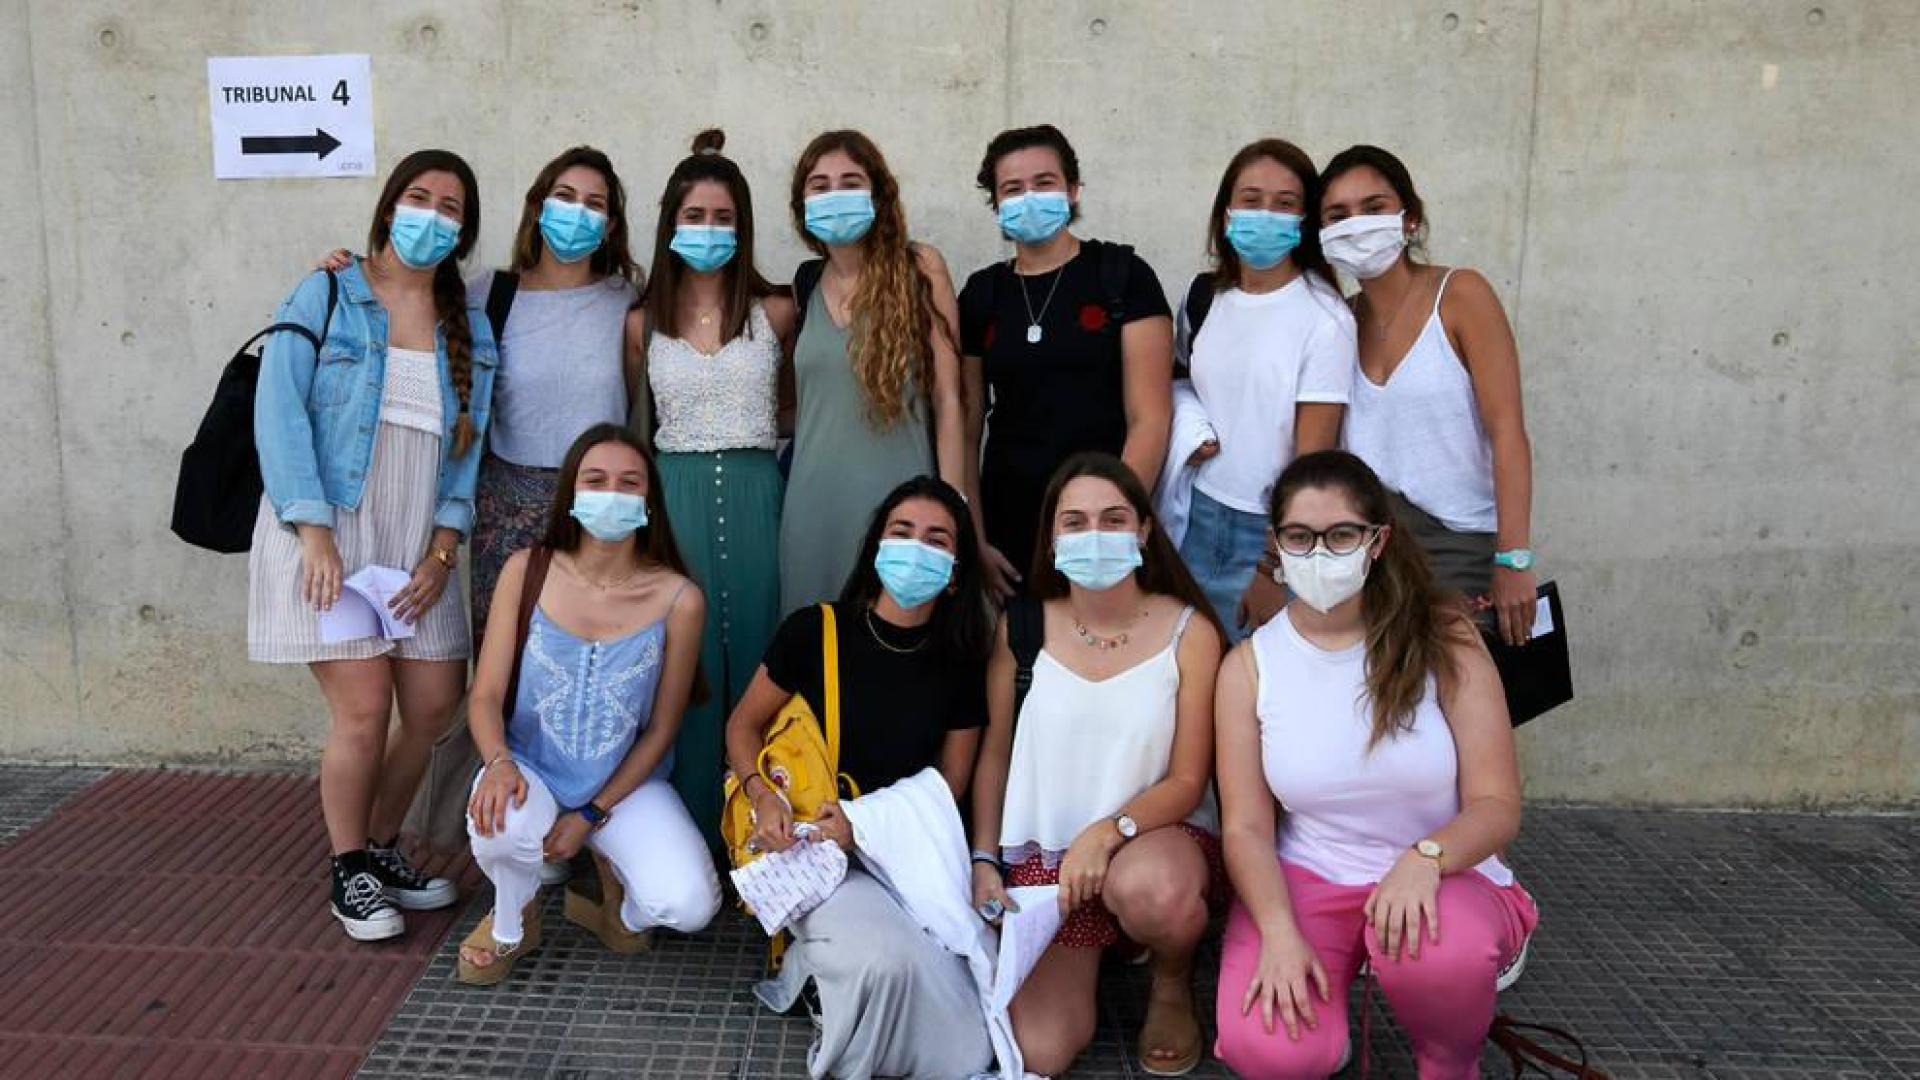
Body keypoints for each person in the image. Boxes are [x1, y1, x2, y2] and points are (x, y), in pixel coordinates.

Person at [1211, 450, 1536, 1080]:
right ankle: (1323, 1033)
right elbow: (1247, 828)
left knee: (1437, 955)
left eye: (1342, 535)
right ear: (1275, 545)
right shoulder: (1249, 668)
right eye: (1300, 537)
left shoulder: (1446, 639)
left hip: (1447, 876)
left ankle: (1449, 1062)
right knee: (1270, 1050)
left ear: (1378, 540)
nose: (1320, 553)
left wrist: (1426, 858)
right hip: (1311, 876)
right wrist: (1278, 931)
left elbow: (1498, 805)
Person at [249, 149, 497, 941]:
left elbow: (468, 452)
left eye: (451, 207)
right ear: (389, 206)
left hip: (418, 540)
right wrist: (313, 533)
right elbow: (279, 410)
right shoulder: (328, 291)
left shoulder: (471, 324)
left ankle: (384, 848)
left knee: (430, 708)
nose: (432, 216)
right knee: (364, 709)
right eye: (418, 197)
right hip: (331, 525)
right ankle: (348, 867)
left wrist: (443, 551)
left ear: (464, 231)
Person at [319, 146, 642, 646]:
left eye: (594, 203)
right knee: (504, 658)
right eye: (564, 196)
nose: (576, 212)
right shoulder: (488, 294)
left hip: (603, 507)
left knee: (593, 657)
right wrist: (351, 270)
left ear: (611, 226)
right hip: (505, 507)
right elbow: (405, 302)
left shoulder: (630, 301)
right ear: (537, 206)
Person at [729, 477, 994, 1079]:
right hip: (808, 850)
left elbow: (952, 781)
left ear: (955, 570)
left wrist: (871, 825)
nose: (915, 548)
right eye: (901, 533)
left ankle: (815, 969)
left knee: (969, 1029)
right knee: (886, 964)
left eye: (937, 539)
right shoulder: (812, 630)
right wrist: (759, 792)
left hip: (899, 851)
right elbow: (742, 727)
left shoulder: (960, 661)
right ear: (876, 547)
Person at [970, 452, 1225, 1077]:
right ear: (1052, 539)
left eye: (1114, 520)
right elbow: (994, 756)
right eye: (1075, 521)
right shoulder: (1022, 628)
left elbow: (1190, 779)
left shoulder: (1188, 632)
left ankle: (1169, 976)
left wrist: (1107, 835)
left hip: (1153, 842)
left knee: (1150, 892)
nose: (1094, 536)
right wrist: (983, 859)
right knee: (1041, 1052)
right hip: (1052, 869)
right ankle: (1103, 950)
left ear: (1143, 531)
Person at [459, 424, 722, 985]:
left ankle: (618, 906)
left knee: (690, 904)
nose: (612, 493)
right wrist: (499, 764)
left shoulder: (679, 598)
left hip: (625, 784)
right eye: (595, 479)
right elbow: (483, 695)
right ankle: (513, 920)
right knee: (498, 824)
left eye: (630, 483)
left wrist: (590, 815)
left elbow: (662, 731)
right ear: (572, 495)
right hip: (530, 767)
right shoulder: (526, 570)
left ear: (649, 501)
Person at [626, 128, 797, 849]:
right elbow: (637, 422)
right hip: (676, 496)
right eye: (693, 217)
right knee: (684, 666)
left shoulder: (778, 311)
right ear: (669, 224)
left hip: (761, 495)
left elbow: (792, 404)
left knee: (762, 650)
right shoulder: (642, 322)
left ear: (744, 225)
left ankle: (767, 826)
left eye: (722, 218)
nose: (707, 230)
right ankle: (692, 835)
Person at [1315, 145, 1537, 646]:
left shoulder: (1461, 295)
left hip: (1460, 545)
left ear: (1409, 216)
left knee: (1463, 707)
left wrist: (1513, 557)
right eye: (1338, 215)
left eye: (1373, 208)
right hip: (1370, 549)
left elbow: (1508, 432)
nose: (1357, 225)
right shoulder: (1339, 322)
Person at [958, 124, 1174, 600]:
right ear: (995, 202)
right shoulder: (981, 293)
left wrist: (1115, 524)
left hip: (1101, 523)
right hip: (1008, 521)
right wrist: (974, 536)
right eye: (1012, 189)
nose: (1029, 197)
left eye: (1044, 182)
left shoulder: (1122, 276)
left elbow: (1151, 417)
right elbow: (966, 426)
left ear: (1073, 189)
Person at [777, 130, 968, 614]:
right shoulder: (805, 283)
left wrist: (952, 505)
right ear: (802, 205)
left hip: (902, 510)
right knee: (816, 646)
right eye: (819, 185)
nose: (834, 195)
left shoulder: (921, 268)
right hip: (811, 507)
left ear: (878, 193)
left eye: (850, 181)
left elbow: (950, 400)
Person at [1175, 138, 1354, 641]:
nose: (1265, 215)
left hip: (1266, 532)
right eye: (1251, 200)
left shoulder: (1325, 318)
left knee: (1250, 690)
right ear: (1226, 211)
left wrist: (1273, 567)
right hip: (1194, 513)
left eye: (1285, 203)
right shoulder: (1207, 296)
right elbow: (1182, 382)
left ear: (1305, 220)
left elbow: (1311, 463)